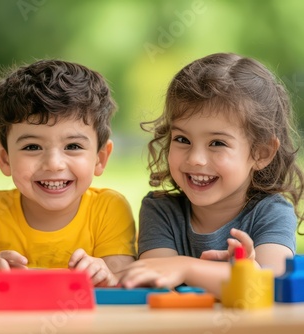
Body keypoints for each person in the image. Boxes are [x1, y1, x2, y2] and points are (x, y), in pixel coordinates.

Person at [118, 52, 304, 298]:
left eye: (217, 143)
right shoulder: (161, 210)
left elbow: (272, 287)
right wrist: (235, 277)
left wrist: (187, 267)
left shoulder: (272, 213)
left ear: (261, 153)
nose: (195, 159)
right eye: (182, 139)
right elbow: (156, 280)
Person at [0, 59, 136, 291]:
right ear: (4, 157)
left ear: (100, 158)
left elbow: (122, 283)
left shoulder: (109, 209)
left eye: (72, 146)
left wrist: (104, 275)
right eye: (32, 147)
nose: (53, 164)